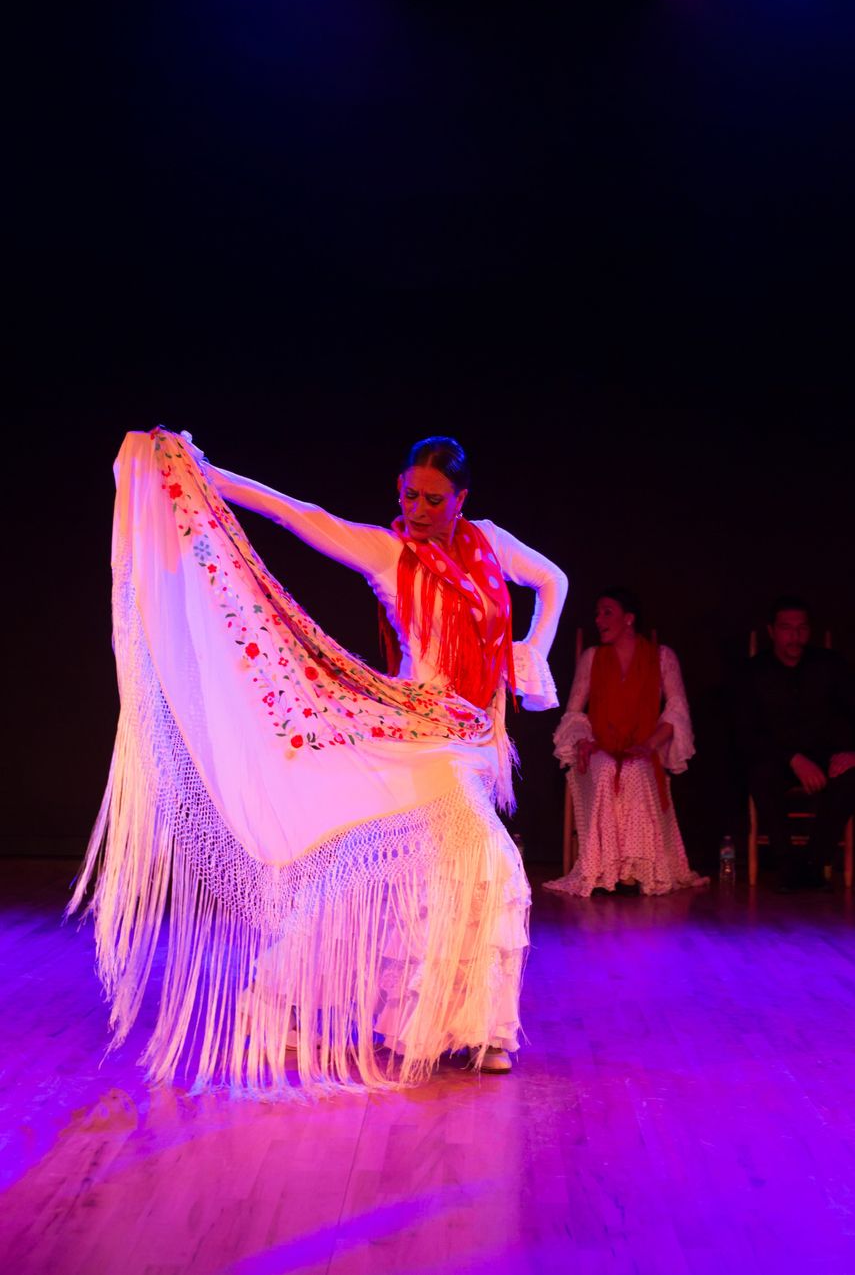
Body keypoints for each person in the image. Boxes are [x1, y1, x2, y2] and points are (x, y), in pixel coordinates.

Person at [69, 427, 567, 1093]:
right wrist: (207, 475)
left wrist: (533, 646)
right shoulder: (389, 552)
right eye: (408, 494)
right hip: (422, 736)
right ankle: (480, 1032)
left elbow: (552, 579)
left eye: (432, 499)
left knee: (386, 878)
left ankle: (282, 1001)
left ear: (460, 499)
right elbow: (300, 515)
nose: (417, 509)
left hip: (478, 741)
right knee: (491, 863)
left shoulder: (489, 542)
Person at [545, 588, 707, 897]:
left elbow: (676, 710)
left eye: (607, 612)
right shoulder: (592, 658)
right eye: (597, 613)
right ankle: (605, 868)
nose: (599, 619)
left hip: (644, 745)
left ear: (629, 619)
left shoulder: (661, 657)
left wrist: (649, 745)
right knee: (606, 770)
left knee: (634, 769)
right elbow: (575, 710)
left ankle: (634, 869)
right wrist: (583, 740)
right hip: (599, 747)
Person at [733, 596, 855, 892]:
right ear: (772, 631)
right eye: (787, 628)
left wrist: (852, 753)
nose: (795, 636)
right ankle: (785, 863)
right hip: (778, 757)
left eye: (801, 628)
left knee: (851, 778)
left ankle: (815, 861)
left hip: (827, 755)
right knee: (759, 774)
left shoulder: (831, 665)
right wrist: (793, 758)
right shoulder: (754, 672)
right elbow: (745, 733)